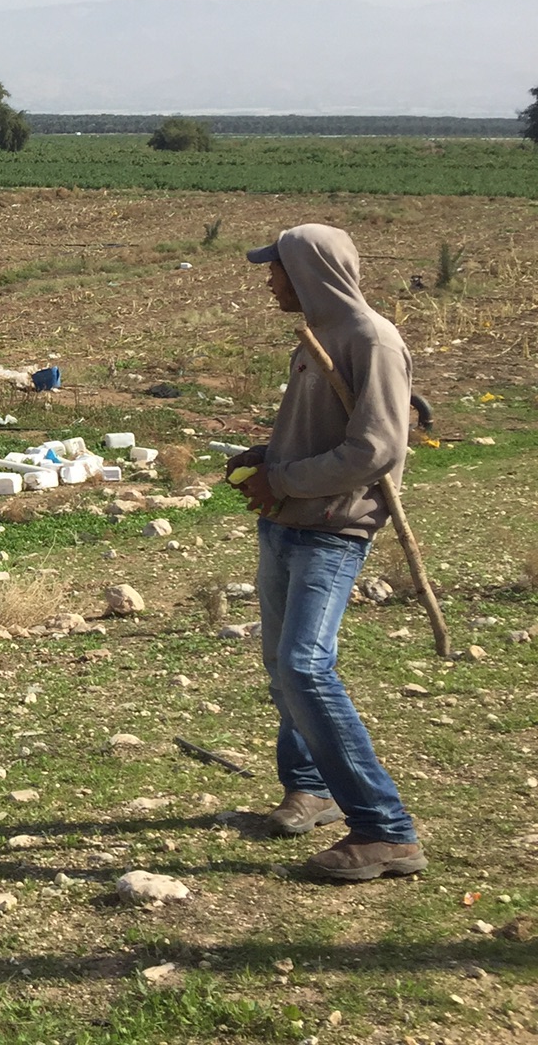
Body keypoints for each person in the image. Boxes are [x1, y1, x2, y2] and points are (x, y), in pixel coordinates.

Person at [228, 224, 425, 881]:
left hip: (332, 529)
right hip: (287, 522)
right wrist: (269, 457)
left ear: (308, 273)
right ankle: (310, 789)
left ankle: (385, 829)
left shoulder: (371, 340)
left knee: (304, 667)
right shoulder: (315, 338)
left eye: (277, 269)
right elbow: (320, 432)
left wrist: (281, 479)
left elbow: (376, 450)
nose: (269, 280)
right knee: (283, 671)